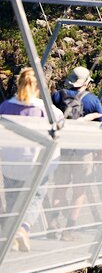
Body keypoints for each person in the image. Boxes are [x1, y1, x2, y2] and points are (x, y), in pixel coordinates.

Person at [0, 68, 62, 251]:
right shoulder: (48, 110)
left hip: (11, 163)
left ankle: (12, 236)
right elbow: (60, 128)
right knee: (35, 198)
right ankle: (23, 229)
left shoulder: (5, 107)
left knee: (13, 199)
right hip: (37, 164)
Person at [49, 66, 102, 241]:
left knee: (59, 188)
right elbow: (101, 129)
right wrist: (100, 154)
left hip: (61, 149)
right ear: (87, 82)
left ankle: (52, 226)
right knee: (79, 191)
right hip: (83, 151)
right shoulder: (93, 101)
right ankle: (68, 230)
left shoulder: (57, 96)